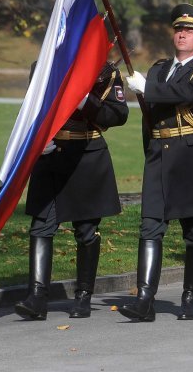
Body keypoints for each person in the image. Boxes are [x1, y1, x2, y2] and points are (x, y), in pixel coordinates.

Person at [120, 4, 193, 321]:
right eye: (179, 29)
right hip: (159, 153)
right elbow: (150, 120)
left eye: (191, 30)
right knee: (150, 227)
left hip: (192, 155)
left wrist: (149, 88)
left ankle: (191, 296)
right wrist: (149, 150)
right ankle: (145, 300)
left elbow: (189, 92)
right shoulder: (158, 68)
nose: (183, 34)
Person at [14, 61, 129, 320]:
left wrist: (85, 101)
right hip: (51, 154)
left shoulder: (105, 71)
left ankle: (83, 295)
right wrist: (37, 139)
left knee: (86, 230)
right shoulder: (43, 64)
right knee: (41, 226)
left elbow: (117, 115)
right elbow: (33, 109)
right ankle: (36, 297)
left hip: (86, 154)